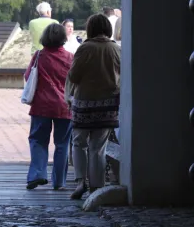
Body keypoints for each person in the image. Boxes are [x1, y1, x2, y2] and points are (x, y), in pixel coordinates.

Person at [67, 14, 121, 200]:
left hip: (84, 104)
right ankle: (97, 187)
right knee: (98, 147)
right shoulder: (116, 49)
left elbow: (73, 76)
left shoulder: (85, 48)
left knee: (79, 143)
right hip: (108, 105)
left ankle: (81, 181)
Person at [24, 23, 74, 190]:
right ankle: (59, 182)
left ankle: (37, 174)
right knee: (62, 144)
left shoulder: (39, 56)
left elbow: (28, 76)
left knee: (38, 140)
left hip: (41, 106)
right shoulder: (70, 57)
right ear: (63, 38)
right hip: (64, 106)